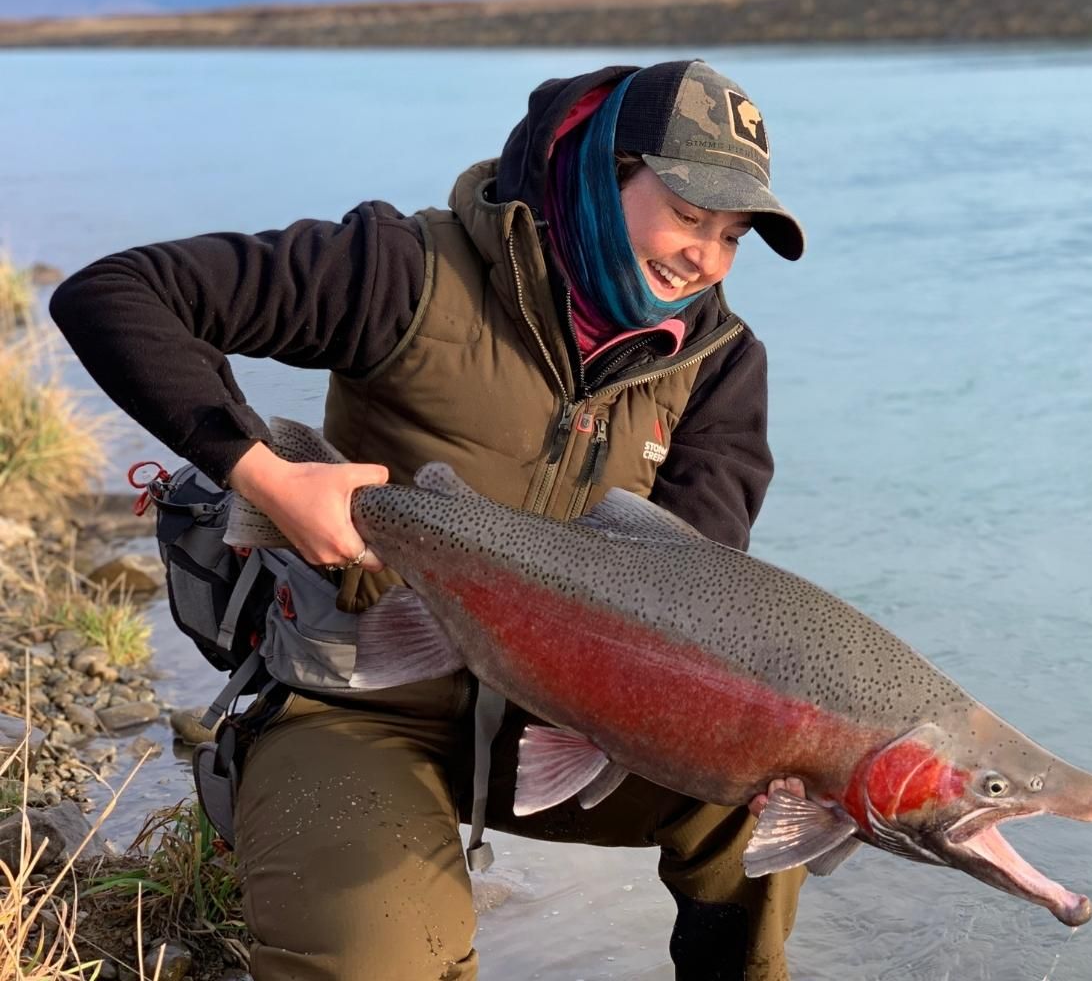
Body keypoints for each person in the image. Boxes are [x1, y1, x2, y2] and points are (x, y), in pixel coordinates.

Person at [52, 59, 809, 981]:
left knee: (765, 804)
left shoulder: (722, 366)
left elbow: (697, 591)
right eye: (690, 214)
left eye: (732, 236)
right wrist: (267, 476)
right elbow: (113, 293)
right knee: (378, 962)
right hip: (360, 706)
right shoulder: (401, 268)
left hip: (567, 724)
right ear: (598, 171)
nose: (707, 258)